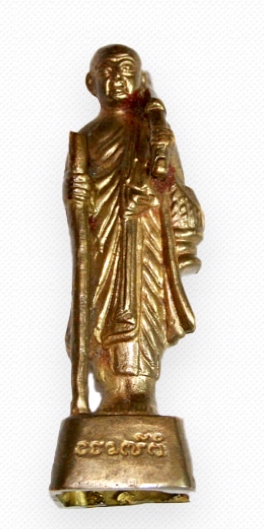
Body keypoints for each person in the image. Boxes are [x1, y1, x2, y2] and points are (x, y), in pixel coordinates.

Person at [65, 45, 204, 414]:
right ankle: (110, 393)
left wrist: (153, 195)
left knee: (140, 316)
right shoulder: (86, 138)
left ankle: (139, 396)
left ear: (140, 80)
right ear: (91, 82)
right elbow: (80, 204)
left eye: (126, 70)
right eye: (107, 72)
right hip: (103, 246)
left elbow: (174, 190)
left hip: (143, 243)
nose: (116, 79)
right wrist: (76, 196)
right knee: (100, 318)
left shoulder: (154, 135)